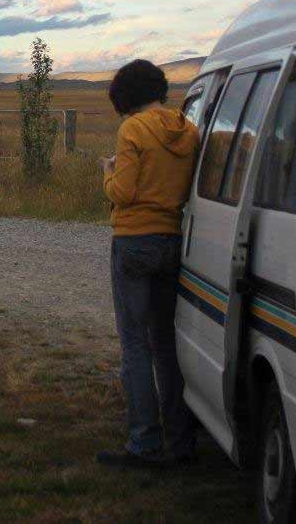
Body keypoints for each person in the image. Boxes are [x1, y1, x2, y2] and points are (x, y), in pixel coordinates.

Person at [97, 59, 200, 468]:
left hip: (134, 240)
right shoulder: (189, 130)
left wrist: (108, 173)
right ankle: (180, 440)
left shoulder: (133, 130)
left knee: (135, 344)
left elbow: (122, 193)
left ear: (126, 96)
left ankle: (144, 441)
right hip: (172, 239)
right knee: (164, 343)